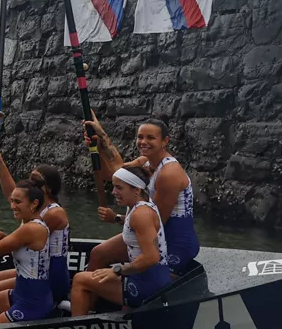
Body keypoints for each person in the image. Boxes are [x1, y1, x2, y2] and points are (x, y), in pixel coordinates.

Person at [83, 116, 199, 273]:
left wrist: (116, 218)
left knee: (101, 255)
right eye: (140, 137)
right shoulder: (145, 162)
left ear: (165, 141)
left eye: (150, 137)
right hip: (152, 232)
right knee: (98, 253)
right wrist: (100, 145)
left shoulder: (168, 174)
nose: (143, 142)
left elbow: (155, 222)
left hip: (175, 243)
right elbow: (116, 173)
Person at [70, 165, 171, 315]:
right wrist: (116, 218)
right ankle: (88, 303)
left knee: (79, 280)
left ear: (136, 190)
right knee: (99, 254)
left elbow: (152, 257)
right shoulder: (140, 204)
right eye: (113, 187)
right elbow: (136, 227)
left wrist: (117, 271)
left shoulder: (141, 214)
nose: (113, 192)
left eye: (119, 188)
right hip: (151, 277)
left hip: (148, 286)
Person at [0, 153, 70, 305]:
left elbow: (22, 239)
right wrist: (0, 163)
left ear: (48, 189)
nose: (30, 184)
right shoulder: (35, 208)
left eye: (35, 181)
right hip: (37, 268)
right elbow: (14, 196)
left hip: (51, 276)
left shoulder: (54, 213)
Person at [0, 181, 52, 324]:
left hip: (32, 302)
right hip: (20, 293)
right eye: (11, 201)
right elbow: (12, 245)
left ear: (34, 203)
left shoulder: (32, 228)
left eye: (17, 202)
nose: (12, 206)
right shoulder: (29, 224)